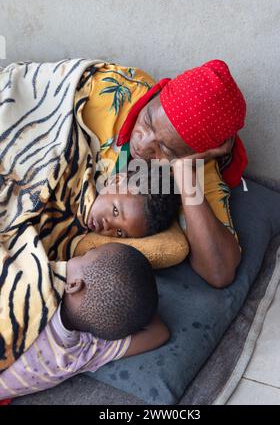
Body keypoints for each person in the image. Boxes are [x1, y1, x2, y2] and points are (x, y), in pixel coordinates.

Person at [81, 59, 247, 287]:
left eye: (165, 149)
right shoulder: (114, 91)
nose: (142, 142)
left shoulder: (201, 170)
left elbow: (218, 272)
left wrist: (183, 171)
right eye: (148, 121)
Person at [0, 243, 169, 399]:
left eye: (87, 254)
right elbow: (160, 333)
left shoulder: (35, 282)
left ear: (73, 285)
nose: (80, 254)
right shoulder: (80, 354)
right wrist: (129, 308)